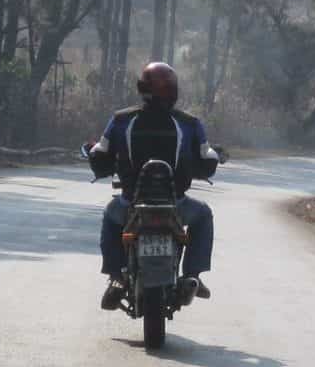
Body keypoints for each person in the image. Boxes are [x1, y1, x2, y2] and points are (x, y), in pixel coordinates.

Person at [86, 61, 223, 311]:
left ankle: (116, 276)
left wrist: (93, 156)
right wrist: (213, 158)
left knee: (110, 214)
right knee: (203, 215)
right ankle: (193, 275)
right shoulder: (190, 123)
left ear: (142, 88)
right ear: (174, 90)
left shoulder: (121, 120)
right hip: (176, 205)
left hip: (131, 204)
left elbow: (100, 153)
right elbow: (207, 157)